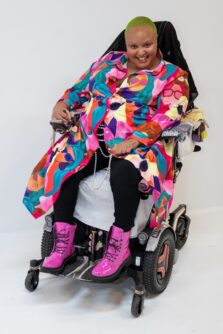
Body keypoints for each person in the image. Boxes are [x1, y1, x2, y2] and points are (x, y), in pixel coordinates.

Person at [23, 16, 189, 281]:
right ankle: (63, 242)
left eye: (147, 44)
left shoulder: (173, 76)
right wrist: (62, 103)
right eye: (134, 46)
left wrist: (135, 140)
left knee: (123, 172)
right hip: (91, 138)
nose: (141, 52)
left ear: (156, 42)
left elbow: (169, 114)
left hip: (141, 144)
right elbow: (79, 89)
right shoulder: (108, 63)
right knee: (64, 165)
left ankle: (119, 246)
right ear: (126, 45)